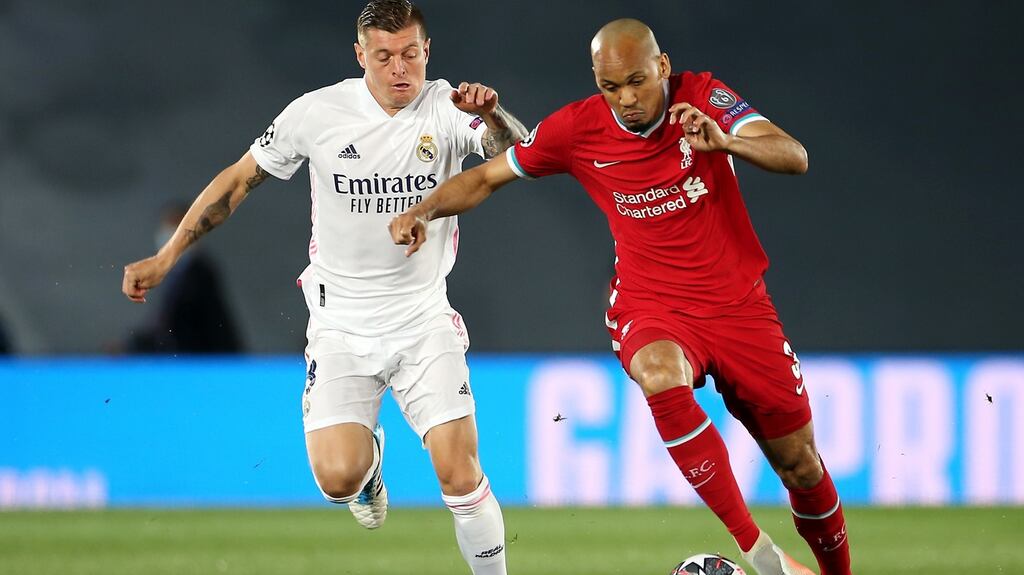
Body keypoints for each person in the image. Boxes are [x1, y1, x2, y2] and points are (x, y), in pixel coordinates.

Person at [391, 18, 852, 575]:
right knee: (658, 370)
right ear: (596, 81)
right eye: (611, 87)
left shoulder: (702, 97)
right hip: (650, 303)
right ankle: (755, 547)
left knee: (801, 466)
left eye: (637, 81)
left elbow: (794, 155)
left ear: (661, 66)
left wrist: (726, 141)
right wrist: (421, 210)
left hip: (739, 306)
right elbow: (487, 177)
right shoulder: (576, 129)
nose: (627, 99)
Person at [122, 2, 527, 573]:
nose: (399, 69)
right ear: (360, 55)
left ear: (426, 51)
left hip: (422, 322)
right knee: (338, 478)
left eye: (410, 54)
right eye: (383, 57)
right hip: (340, 326)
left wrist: (493, 116)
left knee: (459, 475)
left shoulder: (447, 106)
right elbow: (240, 179)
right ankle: (367, 474)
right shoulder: (317, 113)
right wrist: (168, 256)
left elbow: (515, 153)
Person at [124, 202, 244, 354]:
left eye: (176, 226)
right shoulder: (178, 271)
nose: (169, 234)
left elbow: (172, 321)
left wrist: (134, 346)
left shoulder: (199, 272)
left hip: (203, 362)